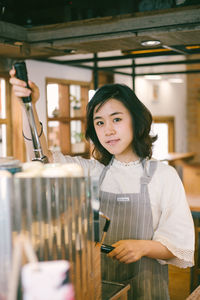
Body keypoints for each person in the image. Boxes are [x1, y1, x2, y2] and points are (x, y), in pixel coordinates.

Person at [9, 68, 195, 300]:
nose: (108, 130)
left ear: (136, 120)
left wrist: (143, 247)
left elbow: (180, 245)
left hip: (148, 291)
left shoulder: (163, 176)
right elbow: (43, 158)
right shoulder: (93, 171)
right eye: (99, 122)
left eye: (116, 119)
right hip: (102, 288)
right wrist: (29, 106)